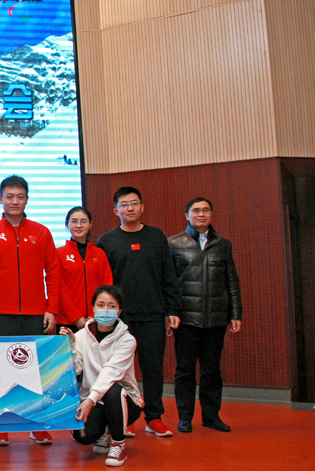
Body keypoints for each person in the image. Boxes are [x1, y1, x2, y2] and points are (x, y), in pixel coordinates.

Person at [0, 175, 62, 447]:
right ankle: (1, 425)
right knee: (1, 372)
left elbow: (53, 272)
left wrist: (52, 308)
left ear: (27, 199)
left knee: (36, 371)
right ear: (0, 199)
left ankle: (37, 425)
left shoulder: (41, 232)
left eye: (20, 197)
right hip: (0, 313)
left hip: (36, 313)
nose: (15, 201)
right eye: (9, 196)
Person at [96, 187, 182, 438]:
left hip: (153, 313)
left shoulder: (156, 237)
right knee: (119, 370)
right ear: (116, 211)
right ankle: (125, 417)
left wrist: (172, 308)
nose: (130, 208)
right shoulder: (107, 240)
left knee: (153, 368)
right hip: (119, 319)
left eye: (134, 203)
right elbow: (103, 283)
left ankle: (154, 417)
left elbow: (169, 275)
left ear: (142, 207)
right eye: (124, 204)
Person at [168, 197, 243, 433]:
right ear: (187, 215)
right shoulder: (174, 243)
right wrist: (171, 311)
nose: (201, 214)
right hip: (186, 319)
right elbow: (169, 283)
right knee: (185, 371)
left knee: (212, 371)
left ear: (211, 214)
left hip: (216, 318)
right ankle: (185, 418)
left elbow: (232, 280)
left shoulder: (223, 245)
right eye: (196, 210)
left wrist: (236, 313)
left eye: (206, 210)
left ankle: (211, 417)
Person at [62, 286, 143, 468]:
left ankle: (118, 443)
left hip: (124, 400)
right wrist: (72, 346)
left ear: (119, 311)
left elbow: (110, 372)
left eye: (111, 306)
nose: (105, 310)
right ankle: (106, 431)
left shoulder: (127, 340)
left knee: (112, 389)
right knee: (82, 436)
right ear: (93, 308)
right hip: (94, 400)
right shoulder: (82, 336)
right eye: (101, 305)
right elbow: (76, 370)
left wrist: (90, 400)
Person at [57, 206, 113, 330]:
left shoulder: (100, 254)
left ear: (90, 224)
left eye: (83, 221)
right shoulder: (58, 254)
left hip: (97, 320)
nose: (79, 225)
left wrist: (94, 315)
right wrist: (76, 317)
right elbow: (58, 288)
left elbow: (107, 285)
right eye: (74, 221)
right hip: (67, 321)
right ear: (67, 224)